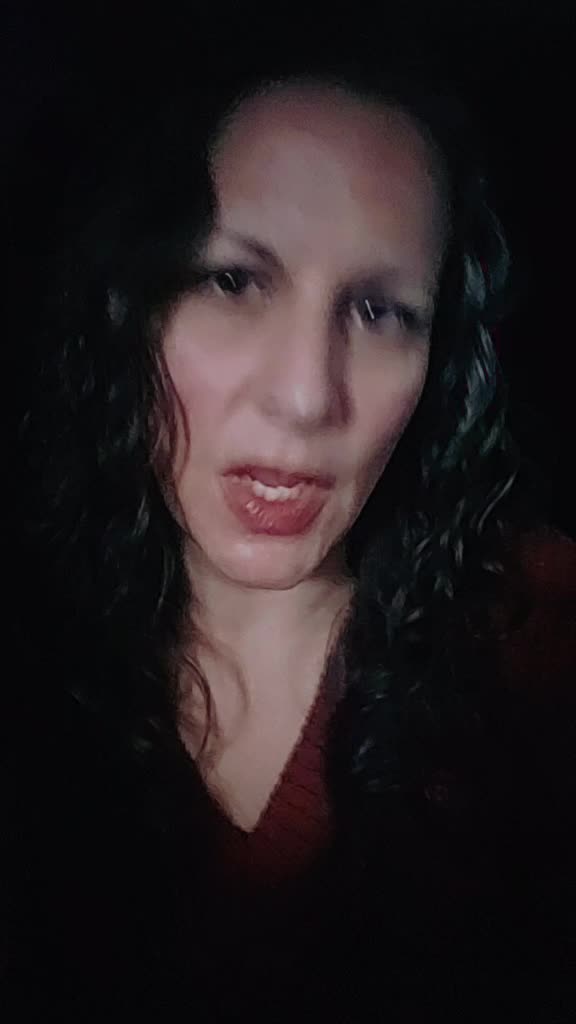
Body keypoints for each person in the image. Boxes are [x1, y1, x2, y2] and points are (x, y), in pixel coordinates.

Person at [9, 61, 576, 1018]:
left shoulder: (539, 645)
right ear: (128, 310)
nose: (308, 397)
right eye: (232, 281)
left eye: (379, 311)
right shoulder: (31, 648)